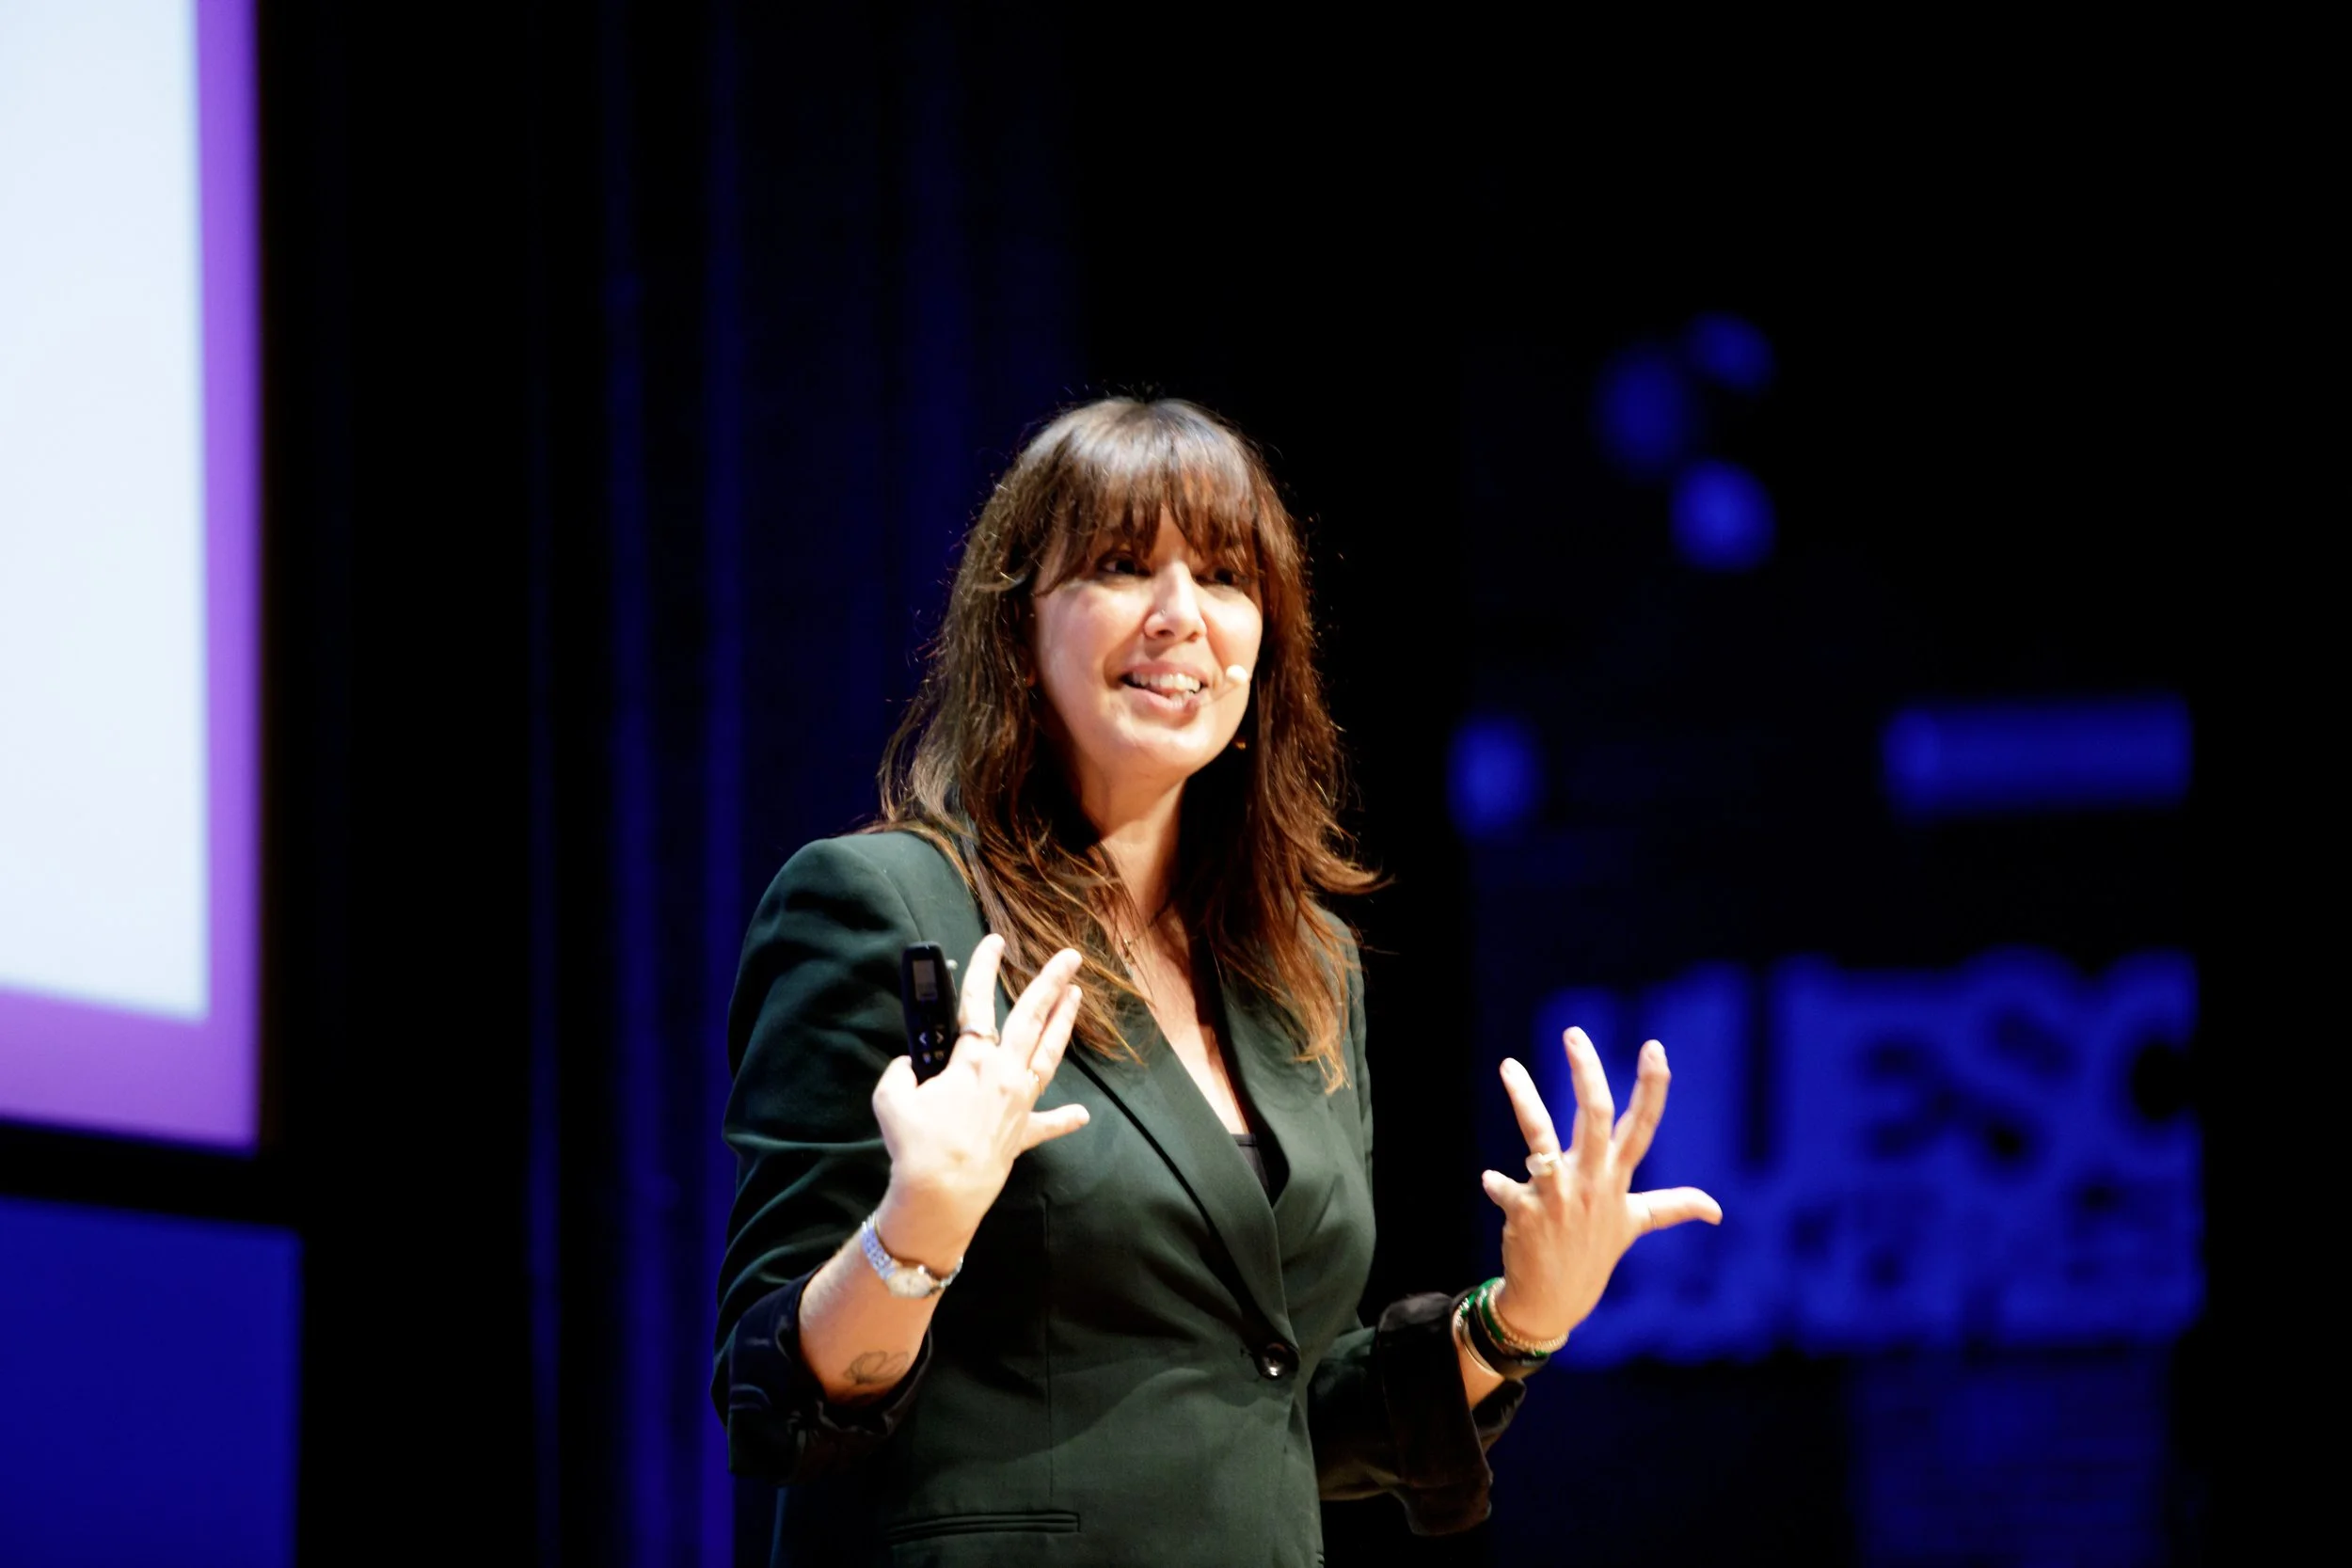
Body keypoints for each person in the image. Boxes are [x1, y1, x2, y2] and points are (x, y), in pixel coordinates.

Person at [712, 397, 1722, 1566]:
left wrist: (1521, 1315)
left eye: (1226, 576)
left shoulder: (1302, 961)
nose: (1180, 616)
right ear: (1017, 630)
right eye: (1122, 566)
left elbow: (1279, 1413)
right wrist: (915, 1230)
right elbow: (780, 1392)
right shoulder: (883, 906)